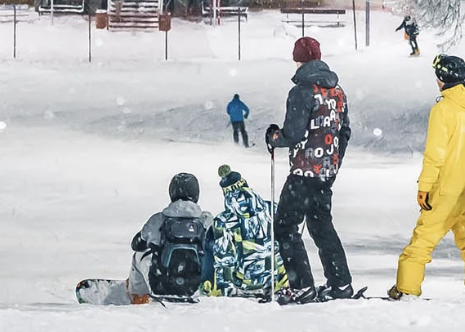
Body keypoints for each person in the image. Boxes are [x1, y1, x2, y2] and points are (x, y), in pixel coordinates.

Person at [390, 55, 465, 300]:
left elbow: (434, 155)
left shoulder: (443, 110)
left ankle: (406, 289)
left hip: (447, 189)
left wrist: (424, 187)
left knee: (422, 242)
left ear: (441, 78)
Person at [264, 36, 354, 303]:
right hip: (326, 171)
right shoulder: (337, 91)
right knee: (321, 225)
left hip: (304, 171)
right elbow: (344, 131)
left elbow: (293, 133)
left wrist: (274, 139)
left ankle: (301, 285)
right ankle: (341, 284)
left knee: (285, 226)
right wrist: (333, 160)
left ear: (298, 59)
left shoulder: (302, 90)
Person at [205, 164, 287, 298]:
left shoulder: (223, 220)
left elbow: (224, 257)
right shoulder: (272, 208)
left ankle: (207, 281)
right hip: (273, 280)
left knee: (211, 238)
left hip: (241, 283)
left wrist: (223, 288)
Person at [129, 172, 212, 303]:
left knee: (138, 255)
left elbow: (137, 244)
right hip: (196, 287)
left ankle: (138, 296)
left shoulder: (159, 219)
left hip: (162, 286)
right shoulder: (206, 220)